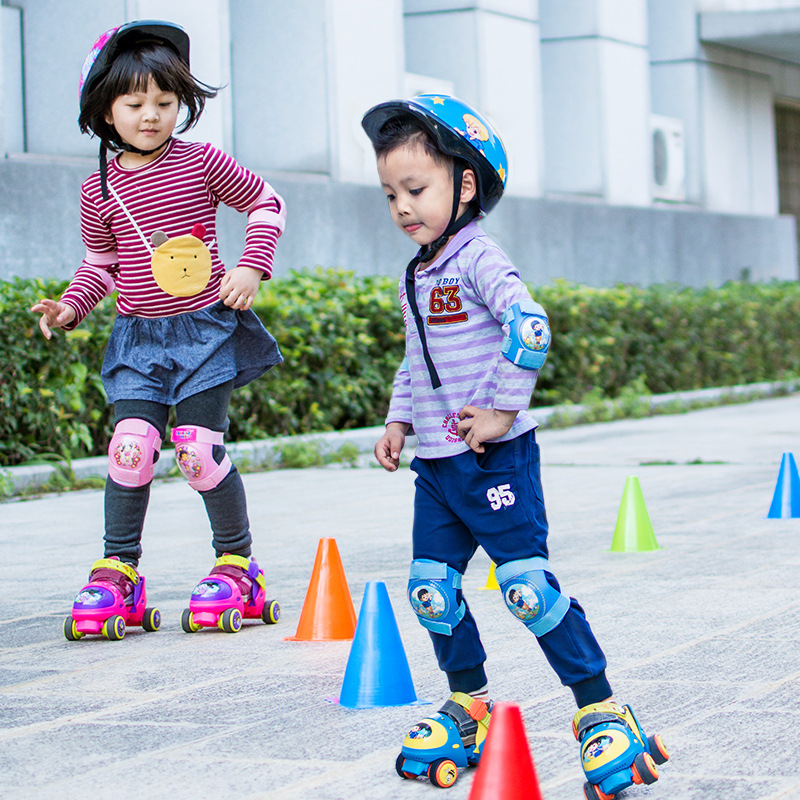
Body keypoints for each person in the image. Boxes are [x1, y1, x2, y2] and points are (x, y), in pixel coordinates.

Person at [361, 95, 668, 793]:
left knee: (526, 589)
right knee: (430, 591)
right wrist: (397, 422)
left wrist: (501, 412)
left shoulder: (477, 257)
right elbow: (417, 362)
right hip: (438, 469)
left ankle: (601, 708)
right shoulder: (415, 274)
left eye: (416, 189)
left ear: (464, 185)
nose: (402, 207)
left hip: (496, 459)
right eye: (390, 195)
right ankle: (467, 702)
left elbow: (530, 327)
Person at [31, 21, 285, 636]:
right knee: (130, 450)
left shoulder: (200, 161)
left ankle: (236, 564)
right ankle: (119, 569)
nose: (151, 115)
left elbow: (265, 202)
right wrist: (70, 307)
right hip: (140, 338)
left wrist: (252, 264)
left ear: (182, 104)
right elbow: (101, 265)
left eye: (165, 103)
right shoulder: (98, 189)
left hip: (204, 333)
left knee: (197, 451)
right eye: (135, 103)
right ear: (104, 108)